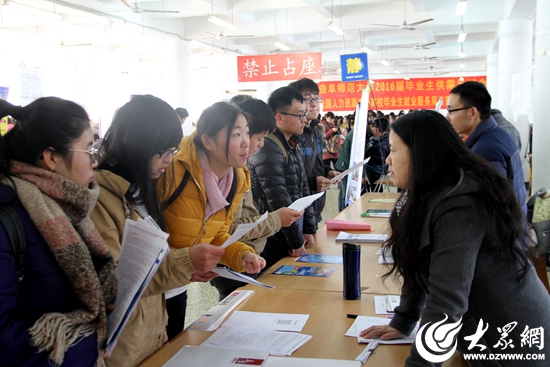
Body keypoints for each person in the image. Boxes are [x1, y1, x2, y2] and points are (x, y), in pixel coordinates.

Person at [359, 111, 550, 366]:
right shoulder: (423, 194)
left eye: (394, 151)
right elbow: (420, 261)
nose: (388, 161)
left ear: (421, 153)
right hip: (482, 336)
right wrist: (404, 320)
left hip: (514, 341)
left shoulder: (460, 202)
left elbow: (447, 297)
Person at [90, 95, 223, 367]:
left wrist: (158, 329)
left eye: (172, 151)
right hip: (121, 350)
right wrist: (185, 260)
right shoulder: (100, 198)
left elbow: (151, 266)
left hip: (147, 338)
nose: (167, 161)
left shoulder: (143, 190)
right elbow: (116, 282)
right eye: (161, 152)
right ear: (132, 140)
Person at [0, 97, 117, 367]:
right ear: (52, 158)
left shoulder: (68, 210)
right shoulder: (9, 218)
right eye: (88, 149)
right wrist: (87, 345)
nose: (95, 162)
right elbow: (4, 340)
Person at [162, 102, 266, 339]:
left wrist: (241, 254)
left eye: (247, 132)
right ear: (207, 142)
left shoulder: (235, 178)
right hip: (150, 288)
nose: (246, 142)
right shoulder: (173, 170)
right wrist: (185, 264)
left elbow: (216, 233)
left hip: (178, 285)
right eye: (236, 134)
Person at [210, 98, 303, 301]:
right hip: (232, 263)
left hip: (245, 256)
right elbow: (230, 229)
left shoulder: (239, 169)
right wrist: (276, 220)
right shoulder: (227, 173)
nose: (260, 144)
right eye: (259, 138)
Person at [248, 86, 316, 270]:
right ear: (279, 117)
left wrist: (309, 229)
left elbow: (303, 190)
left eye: (305, 114)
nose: (305, 120)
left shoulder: (293, 143)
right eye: (299, 115)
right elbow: (277, 198)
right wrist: (295, 241)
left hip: (289, 230)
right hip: (273, 236)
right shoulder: (267, 148)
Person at [446, 81, 526, 214]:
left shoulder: (486, 150)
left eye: (451, 111)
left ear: (472, 113)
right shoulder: (497, 134)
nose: (448, 117)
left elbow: (491, 206)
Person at [289, 78, 339, 227]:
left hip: (314, 205)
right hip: (296, 210)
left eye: (316, 98)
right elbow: (288, 175)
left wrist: (328, 171)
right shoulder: (293, 134)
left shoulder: (315, 131)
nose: (314, 103)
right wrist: (312, 182)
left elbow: (315, 163)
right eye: (307, 99)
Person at [363, 116, 390, 193]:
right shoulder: (389, 138)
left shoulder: (377, 142)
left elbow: (380, 158)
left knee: (376, 190)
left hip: (374, 169)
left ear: (377, 129)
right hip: (381, 169)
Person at [335, 114, 355, 211]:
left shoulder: (352, 133)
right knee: (344, 193)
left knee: (343, 193)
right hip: (344, 166)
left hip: (343, 164)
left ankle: (341, 212)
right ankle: (342, 213)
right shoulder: (353, 134)